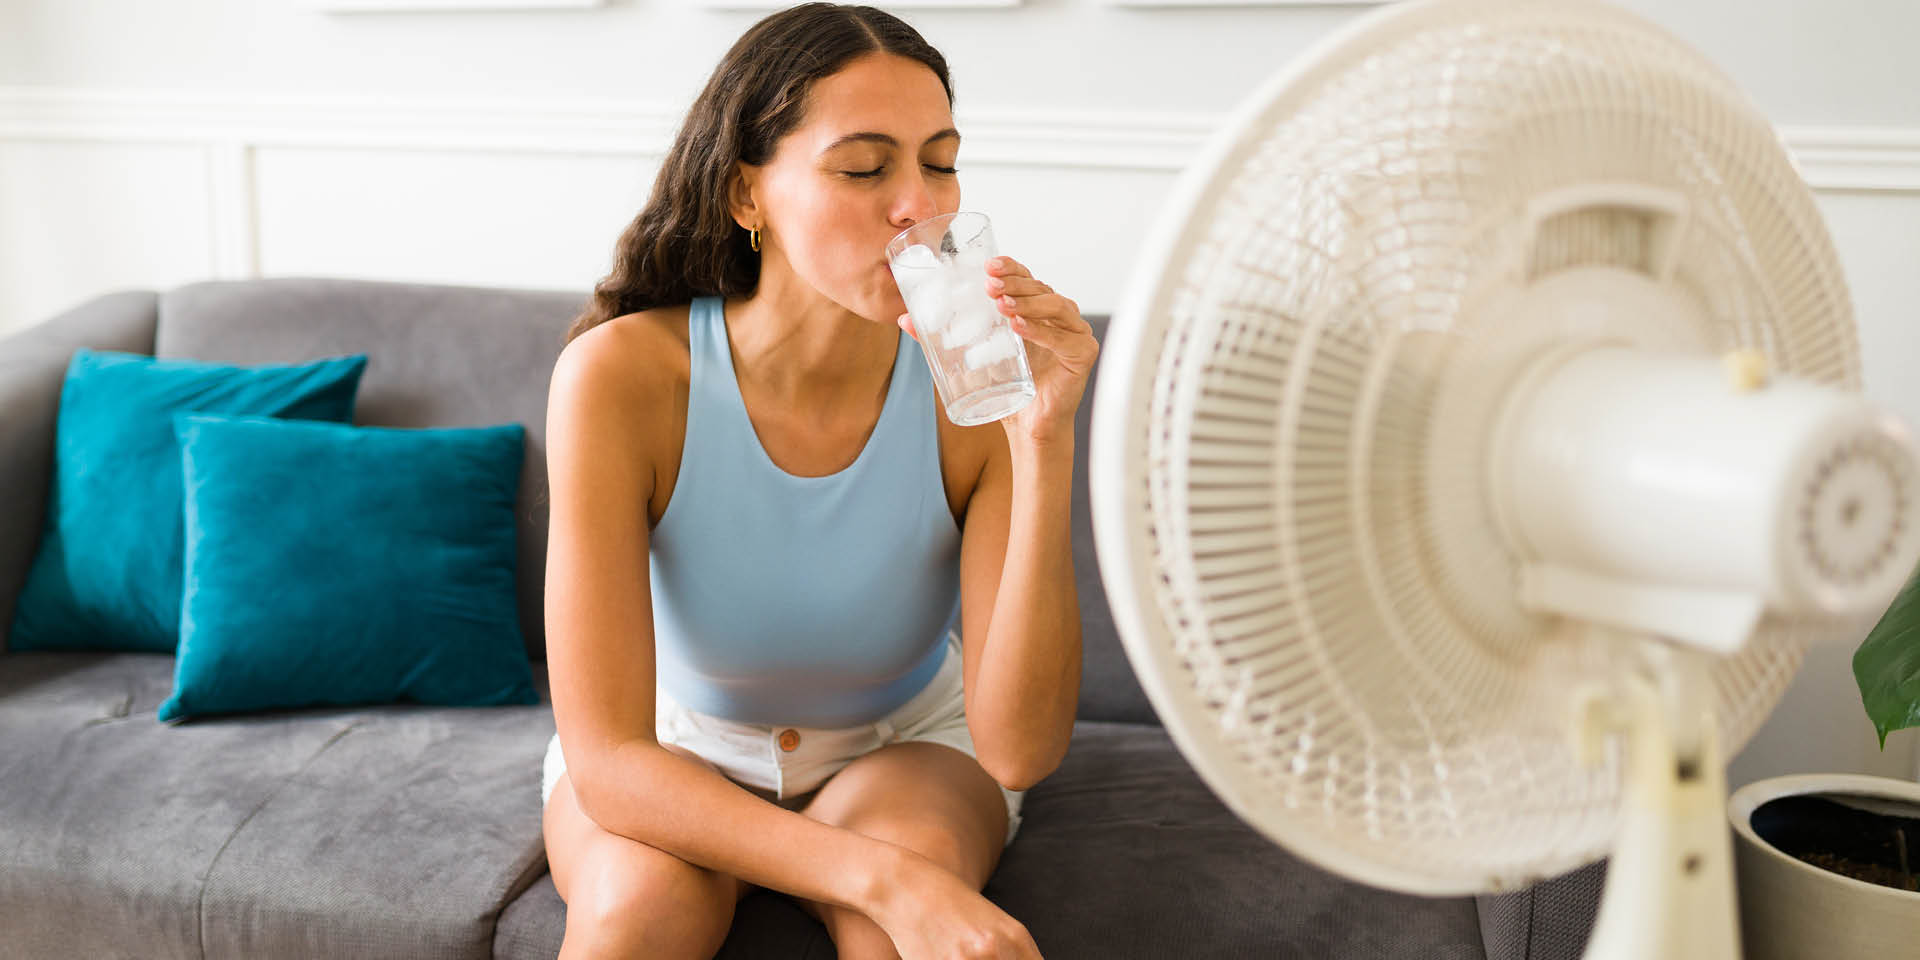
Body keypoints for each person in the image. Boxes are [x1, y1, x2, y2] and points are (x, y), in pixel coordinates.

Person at [540, 3, 1097, 958]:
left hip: (905, 747)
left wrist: (1043, 440)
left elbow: (1020, 750)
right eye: (865, 167)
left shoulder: (976, 385)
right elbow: (610, 761)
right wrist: (882, 878)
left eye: (942, 160)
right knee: (637, 912)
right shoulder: (619, 380)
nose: (919, 204)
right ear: (745, 195)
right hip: (676, 751)